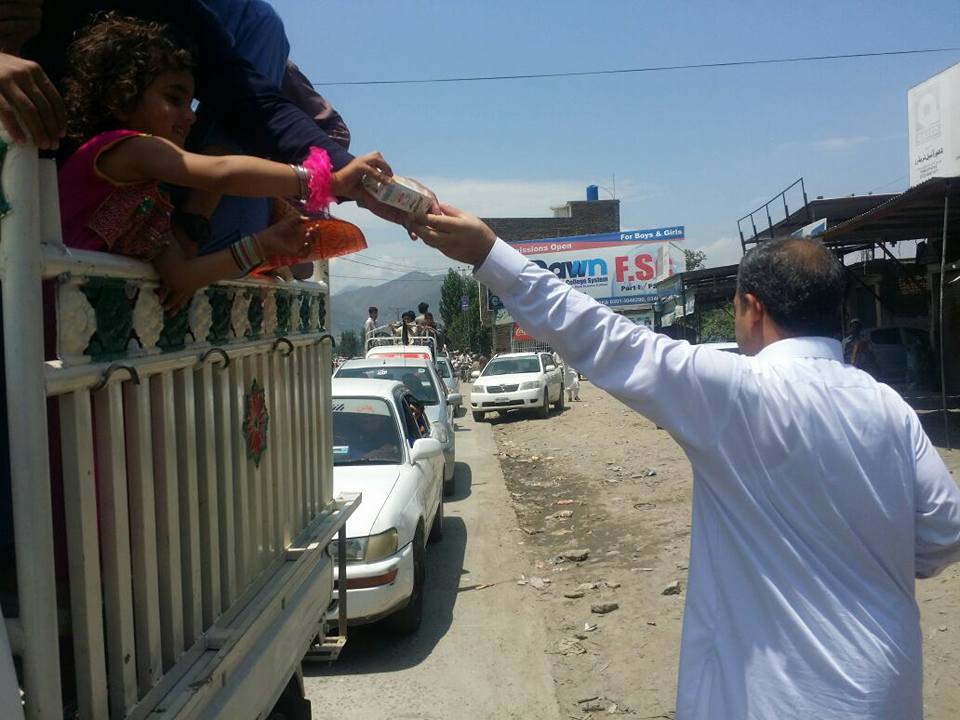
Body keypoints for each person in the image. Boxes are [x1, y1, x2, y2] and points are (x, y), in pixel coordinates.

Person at [409, 205, 960, 720]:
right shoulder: (891, 408)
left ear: (751, 309)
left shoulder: (738, 394)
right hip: (887, 691)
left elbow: (605, 339)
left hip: (776, 701)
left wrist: (488, 253)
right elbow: (941, 534)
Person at [58, 14, 389, 310]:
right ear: (121, 95)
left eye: (191, 103)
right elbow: (221, 172)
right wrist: (324, 181)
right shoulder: (129, 149)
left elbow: (183, 277)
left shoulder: (148, 201)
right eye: (173, 99)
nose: (189, 117)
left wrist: (264, 245)